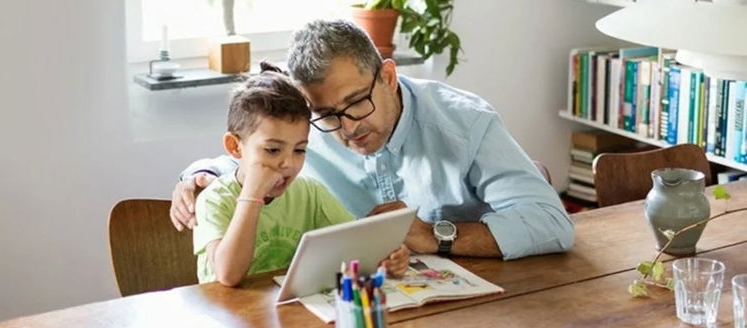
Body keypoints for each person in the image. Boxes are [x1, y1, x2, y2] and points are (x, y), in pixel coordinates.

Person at [174, 19, 574, 261]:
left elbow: (552, 224)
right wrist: (198, 174)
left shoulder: (464, 122)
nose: (347, 127)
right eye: (327, 114)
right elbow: (251, 158)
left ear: (387, 77)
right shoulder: (311, 126)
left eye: (356, 103)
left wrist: (435, 236)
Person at [194, 65, 409, 286]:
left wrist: (387, 256)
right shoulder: (214, 200)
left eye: (299, 150)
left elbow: (358, 245)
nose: (288, 163)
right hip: (224, 315)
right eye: (273, 150)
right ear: (235, 146)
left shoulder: (310, 193)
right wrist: (252, 196)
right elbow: (228, 275)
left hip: (286, 313)